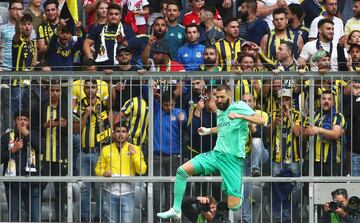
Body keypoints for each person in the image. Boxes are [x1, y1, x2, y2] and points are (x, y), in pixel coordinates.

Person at [157, 84, 266, 220]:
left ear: (229, 96)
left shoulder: (239, 106)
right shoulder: (220, 112)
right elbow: (223, 128)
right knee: (181, 171)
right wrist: (208, 130)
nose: (219, 100)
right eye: (217, 97)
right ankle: (176, 209)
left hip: (233, 160)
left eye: (222, 97)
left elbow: (262, 120)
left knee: (234, 206)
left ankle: (238, 189)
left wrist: (240, 116)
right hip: (216, 155)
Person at [75, 79, 113, 222]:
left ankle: (100, 217)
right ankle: (84, 218)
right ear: (83, 89)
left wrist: (110, 82)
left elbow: (113, 100)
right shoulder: (79, 105)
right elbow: (77, 129)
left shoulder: (103, 104)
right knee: (84, 187)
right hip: (83, 152)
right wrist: (85, 114)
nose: (90, 90)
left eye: (93, 87)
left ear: (97, 89)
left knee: (99, 186)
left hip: (98, 152)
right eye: (87, 88)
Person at [95, 122, 147, 223]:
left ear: (127, 134)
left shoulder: (135, 149)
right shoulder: (106, 149)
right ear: (113, 133)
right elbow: (98, 169)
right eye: (118, 131)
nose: (121, 134)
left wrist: (134, 155)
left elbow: (142, 170)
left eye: (123, 131)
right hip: (109, 192)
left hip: (128, 192)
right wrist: (103, 172)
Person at [153, 90, 187, 221]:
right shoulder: (156, 111)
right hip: (156, 157)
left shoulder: (180, 112)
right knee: (156, 192)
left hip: (174, 157)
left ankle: (170, 220)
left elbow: (185, 122)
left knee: (171, 192)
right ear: (161, 103)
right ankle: (156, 219)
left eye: (171, 104)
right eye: (166, 105)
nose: (169, 107)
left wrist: (182, 120)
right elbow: (144, 91)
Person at [1, 111, 41, 222]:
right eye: (19, 119)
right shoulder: (7, 136)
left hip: (32, 183)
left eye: (25, 119)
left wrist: (28, 134)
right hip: (13, 183)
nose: (22, 122)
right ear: (14, 121)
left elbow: (42, 149)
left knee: (35, 217)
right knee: (14, 217)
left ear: (28, 122)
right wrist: (12, 150)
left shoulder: (34, 134)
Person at [41, 80, 68, 221]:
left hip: (61, 155)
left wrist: (66, 125)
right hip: (43, 155)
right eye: (52, 90)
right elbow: (32, 128)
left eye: (57, 90)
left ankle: (59, 218)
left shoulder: (66, 108)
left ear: (61, 92)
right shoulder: (39, 107)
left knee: (60, 190)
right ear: (47, 91)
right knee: (38, 188)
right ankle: (36, 217)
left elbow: (76, 130)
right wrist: (44, 126)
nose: (55, 93)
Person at [304, 90, 346, 176]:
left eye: (329, 99)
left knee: (330, 189)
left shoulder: (338, 116)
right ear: (320, 101)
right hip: (312, 160)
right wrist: (306, 132)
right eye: (323, 99)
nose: (326, 101)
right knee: (309, 188)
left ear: (334, 102)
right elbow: (304, 132)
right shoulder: (314, 115)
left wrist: (319, 130)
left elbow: (336, 134)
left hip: (331, 161)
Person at [83, 3, 136, 69]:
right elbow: (86, 43)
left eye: (116, 14)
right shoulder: (97, 27)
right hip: (101, 69)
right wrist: (90, 58)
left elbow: (135, 47)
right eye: (111, 14)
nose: (113, 16)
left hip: (121, 70)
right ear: (107, 15)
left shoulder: (127, 29)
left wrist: (123, 41)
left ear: (121, 16)